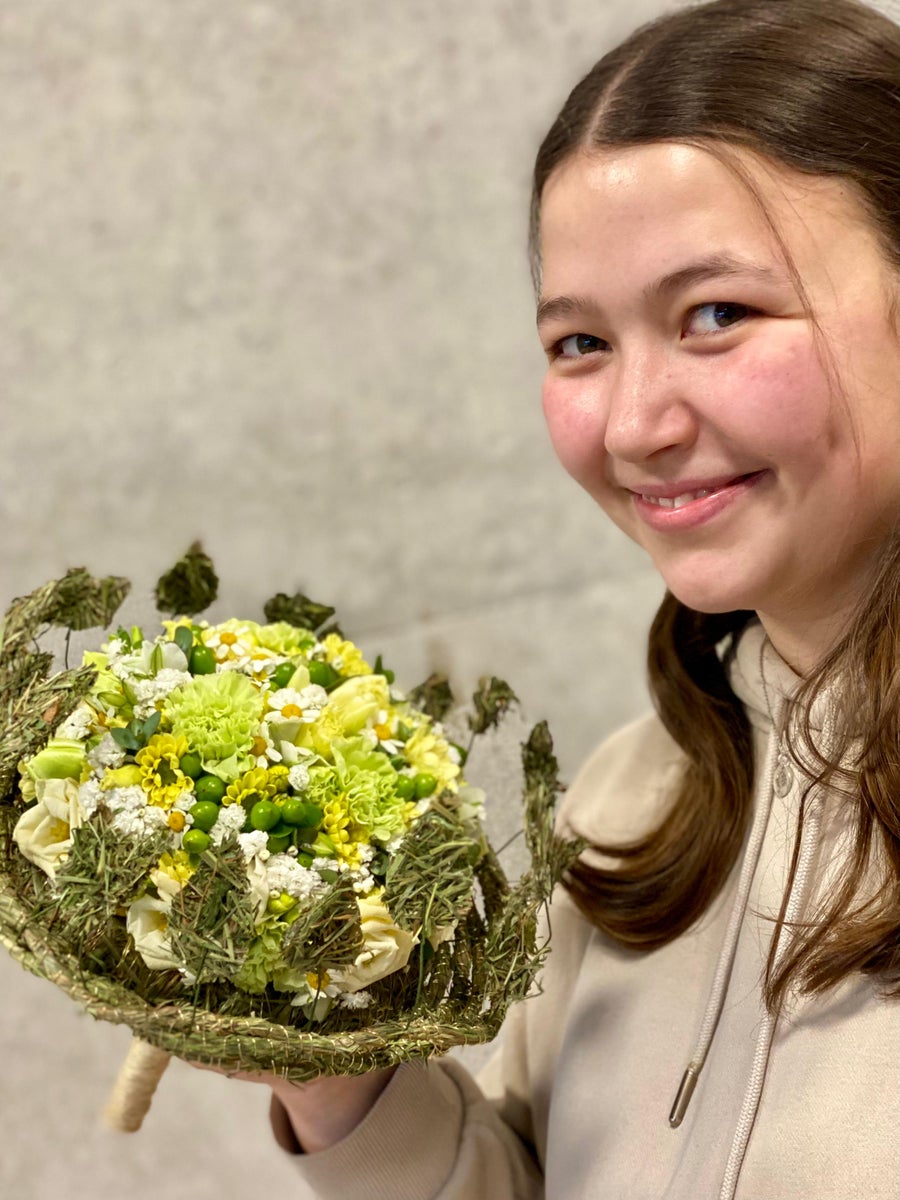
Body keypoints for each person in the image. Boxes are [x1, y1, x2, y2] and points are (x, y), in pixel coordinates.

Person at [223, 1, 900, 1194]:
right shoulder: (632, 805)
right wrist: (343, 1078)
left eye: (718, 316)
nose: (635, 426)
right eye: (580, 342)